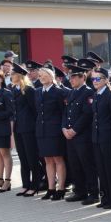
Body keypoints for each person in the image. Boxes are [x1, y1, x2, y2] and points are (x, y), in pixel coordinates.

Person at [63, 65, 98, 204]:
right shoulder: (71, 92)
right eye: (70, 77)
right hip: (70, 135)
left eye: (74, 77)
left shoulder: (88, 92)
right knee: (74, 164)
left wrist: (74, 130)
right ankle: (80, 190)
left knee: (87, 164)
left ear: (82, 77)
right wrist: (64, 128)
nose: (71, 80)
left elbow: (87, 114)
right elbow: (66, 112)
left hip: (82, 135)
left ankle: (93, 192)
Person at [35, 67, 70, 200]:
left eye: (44, 75)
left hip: (55, 131)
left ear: (51, 77)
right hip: (42, 130)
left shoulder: (59, 92)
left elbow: (64, 113)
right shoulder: (37, 92)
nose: (41, 78)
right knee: (47, 160)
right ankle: (51, 188)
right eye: (39, 76)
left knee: (58, 159)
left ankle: (61, 189)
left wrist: (62, 128)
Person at [90, 67, 111, 209]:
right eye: (93, 79)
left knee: (110, 169)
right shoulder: (96, 95)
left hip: (108, 138)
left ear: (106, 80)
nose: (95, 82)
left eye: (98, 79)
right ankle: (106, 197)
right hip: (97, 137)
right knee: (101, 169)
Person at [10, 64, 40, 197]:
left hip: (28, 128)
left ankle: (35, 185)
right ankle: (26, 184)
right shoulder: (13, 89)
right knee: (23, 158)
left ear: (19, 75)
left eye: (13, 74)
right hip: (18, 128)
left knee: (31, 157)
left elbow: (35, 110)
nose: (11, 76)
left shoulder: (28, 90)